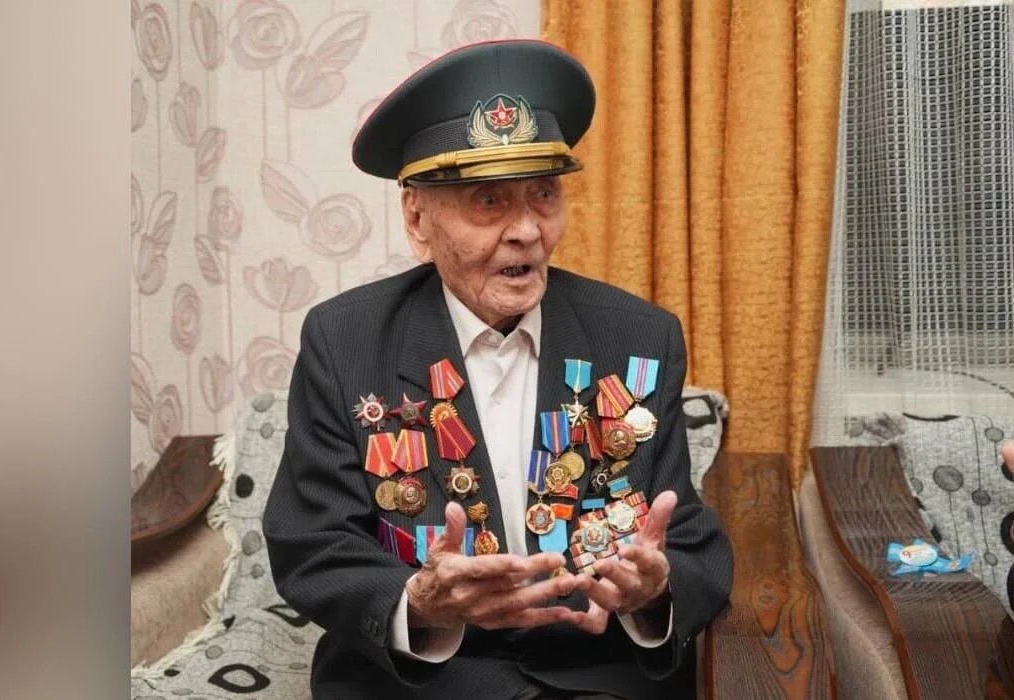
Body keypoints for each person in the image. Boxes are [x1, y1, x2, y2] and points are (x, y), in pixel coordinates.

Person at [263, 40, 733, 700]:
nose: (527, 231)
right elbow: (313, 543)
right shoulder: (345, 341)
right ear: (418, 218)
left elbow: (686, 540)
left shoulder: (639, 336)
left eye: (543, 194)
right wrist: (419, 602)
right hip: (424, 684)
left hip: (599, 678)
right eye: (489, 201)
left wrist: (653, 591)